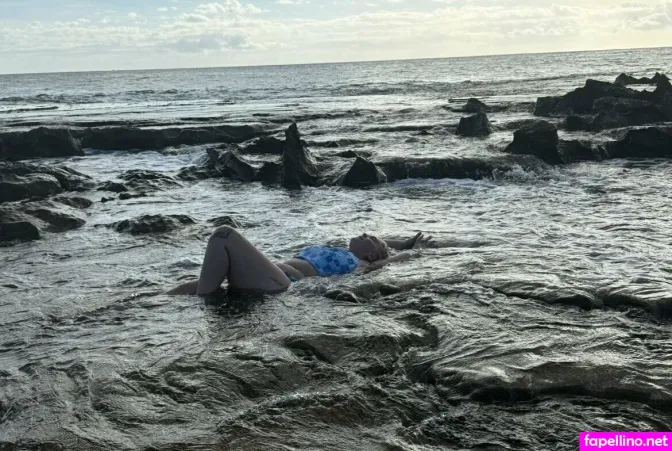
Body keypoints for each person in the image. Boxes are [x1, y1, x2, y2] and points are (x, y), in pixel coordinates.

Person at [167, 226, 434, 296]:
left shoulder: (363, 264)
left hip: (282, 282)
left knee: (224, 235)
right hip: (265, 276)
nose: (366, 234)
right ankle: (149, 303)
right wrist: (403, 241)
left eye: (372, 238)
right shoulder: (339, 250)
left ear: (372, 255)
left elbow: (391, 259)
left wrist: (415, 249)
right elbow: (388, 246)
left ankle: (208, 303)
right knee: (185, 287)